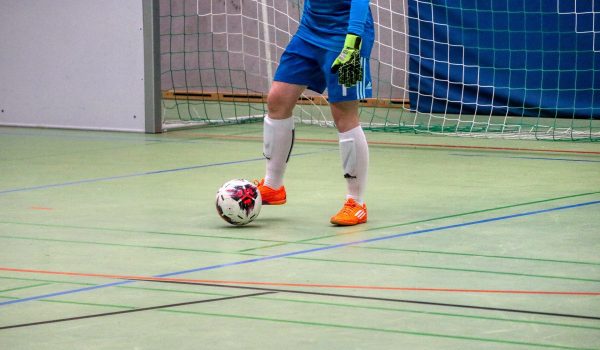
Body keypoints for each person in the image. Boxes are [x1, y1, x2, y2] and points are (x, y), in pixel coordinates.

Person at [255, 0, 374, 226]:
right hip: (309, 32)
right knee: (278, 99)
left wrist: (353, 40)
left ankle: (356, 203)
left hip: (347, 36)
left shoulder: (351, 38)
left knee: (343, 114)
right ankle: (273, 186)